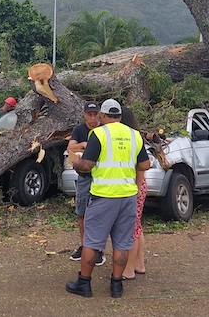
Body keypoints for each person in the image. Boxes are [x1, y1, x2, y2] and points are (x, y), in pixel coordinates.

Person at [65, 98, 150, 299]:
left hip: (103, 195)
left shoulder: (99, 133)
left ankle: (84, 283)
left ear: (103, 116)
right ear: (120, 116)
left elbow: (87, 165)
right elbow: (145, 165)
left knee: (93, 241)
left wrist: (76, 162)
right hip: (128, 196)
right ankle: (116, 286)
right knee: (122, 242)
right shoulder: (134, 135)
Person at [67, 102, 104, 267]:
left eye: (95, 114)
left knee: (100, 215)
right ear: (84, 115)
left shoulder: (104, 130)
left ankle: (98, 250)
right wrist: (83, 145)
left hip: (101, 176)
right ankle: (84, 246)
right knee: (82, 213)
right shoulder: (80, 130)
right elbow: (70, 147)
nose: (93, 117)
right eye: (90, 114)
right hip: (84, 176)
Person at [120, 107, 148, 280]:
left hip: (135, 186)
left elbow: (141, 166)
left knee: (131, 229)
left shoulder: (130, 138)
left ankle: (129, 269)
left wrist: (137, 187)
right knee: (137, 226)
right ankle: (139, 264)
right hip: (138, 185)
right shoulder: (135, 136)